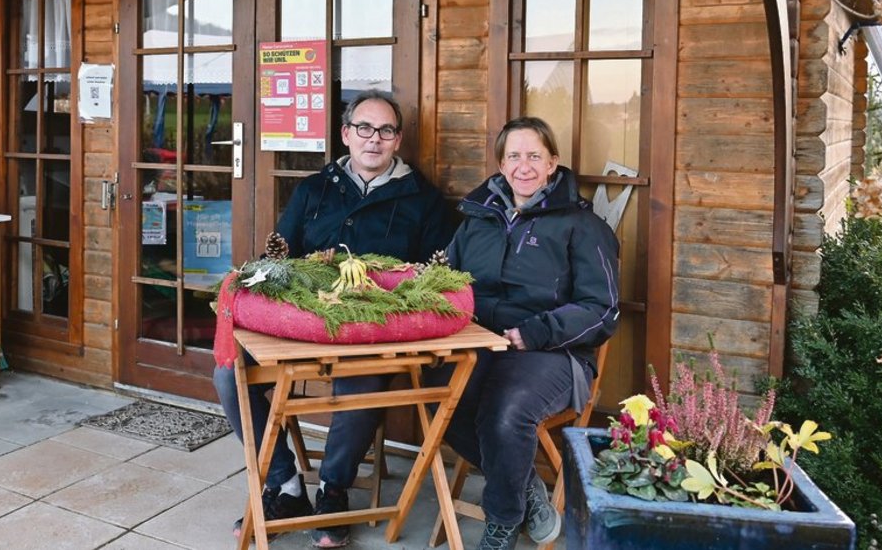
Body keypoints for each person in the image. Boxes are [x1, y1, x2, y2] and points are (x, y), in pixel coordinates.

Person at [213, 90, 453, 548]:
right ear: (346, 134)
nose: (374, 139)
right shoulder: (314, 189)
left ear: (398, 140)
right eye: (364, 128)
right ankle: (284, 485)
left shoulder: (423, 200)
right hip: (304, 323)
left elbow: (436, 277)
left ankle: (333, 490)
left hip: (372, 329)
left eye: (385, 130)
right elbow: (278, 259)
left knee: (364, 383)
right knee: (228, 374)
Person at [442, 116, 619, 550]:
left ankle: (503, 520)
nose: (524, 166)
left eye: (534, 156)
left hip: (553, 353)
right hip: (480, 345)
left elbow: (602, 309)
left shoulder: (582, 226)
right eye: (514, 156)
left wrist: (536, 332)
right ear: (502, 164)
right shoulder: (477, 219)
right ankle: (525, 489)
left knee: (505, 412)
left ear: (552, 163)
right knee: (438, 400)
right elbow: (445, 282)